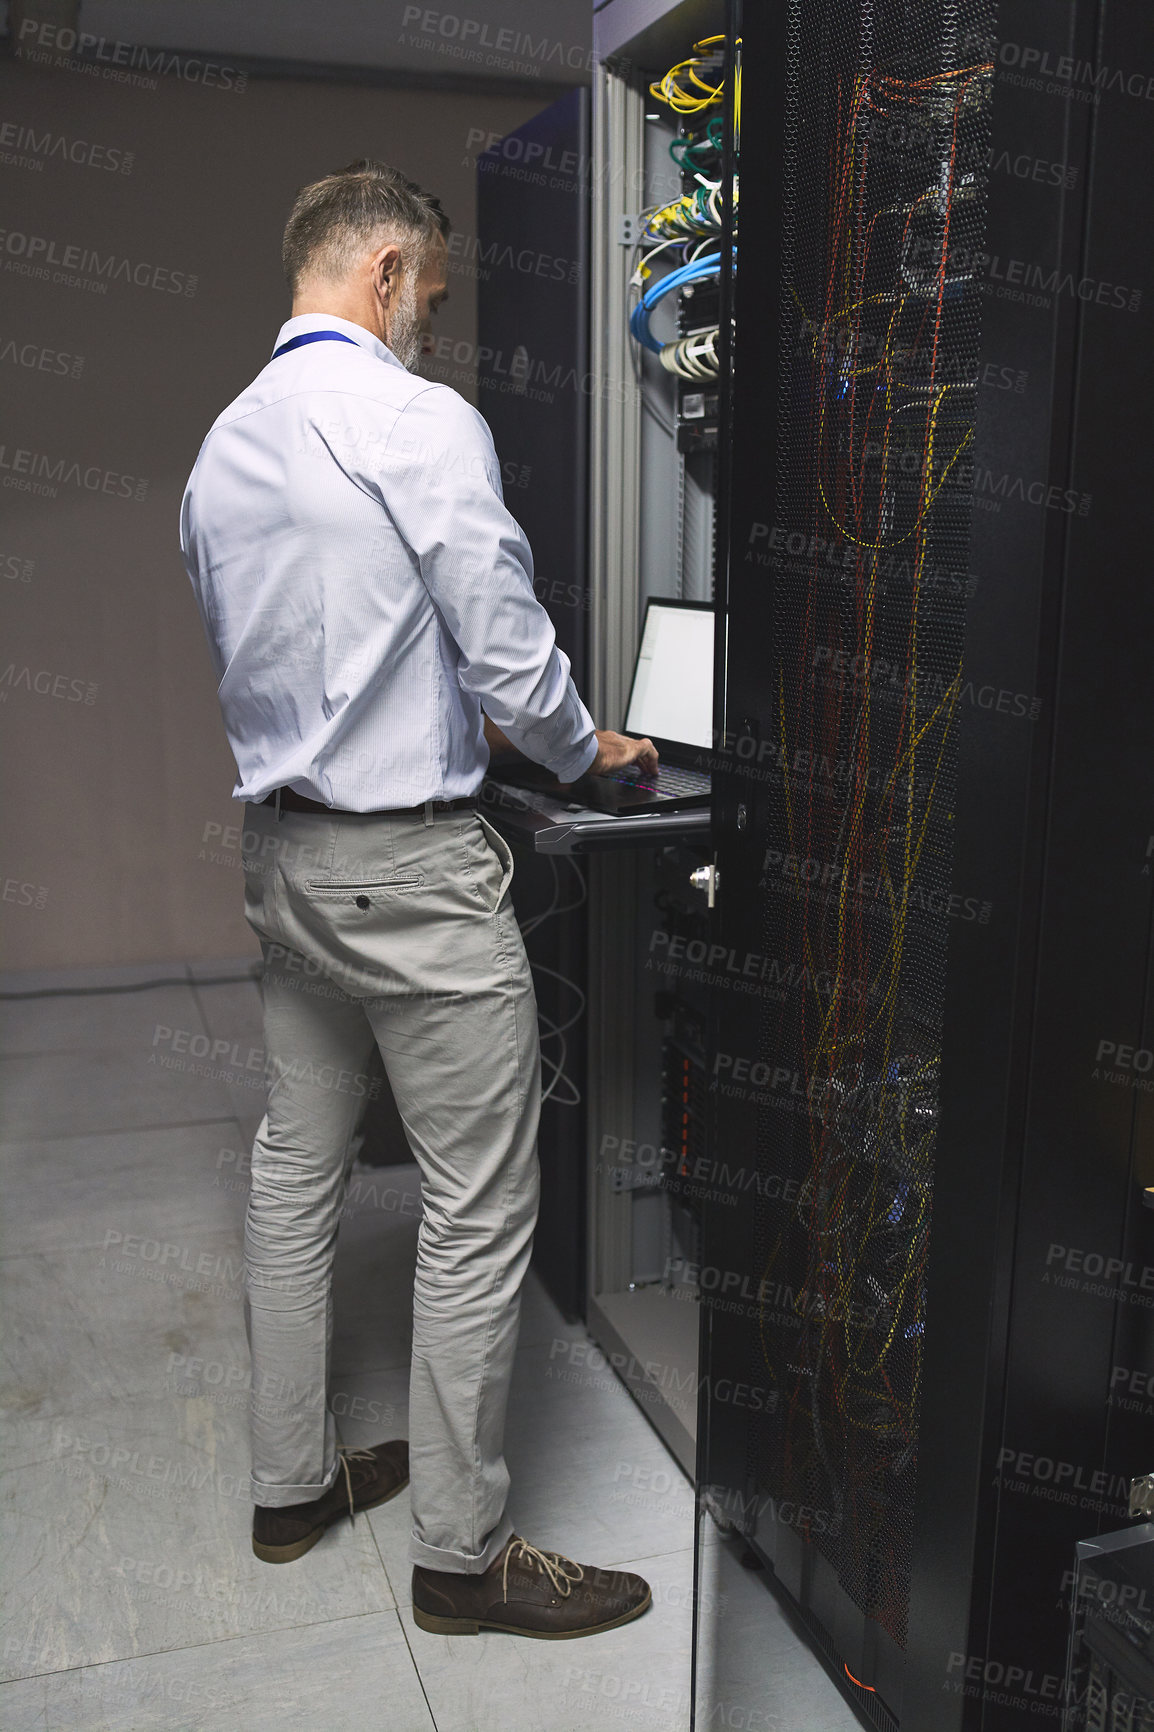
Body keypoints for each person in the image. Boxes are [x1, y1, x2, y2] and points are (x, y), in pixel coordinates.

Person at [178, 159, 658, 1639]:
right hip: (412, 876)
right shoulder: (410, 419)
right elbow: (508, 653)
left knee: (293, 1169)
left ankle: (289, 1486)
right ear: (385, 272)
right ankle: (462, 1557)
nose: (431, 330)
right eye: (430, 300)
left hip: (284, 856)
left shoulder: (222, 451)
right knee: (474, 1206)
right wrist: (598, 755)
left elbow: (315, 649)